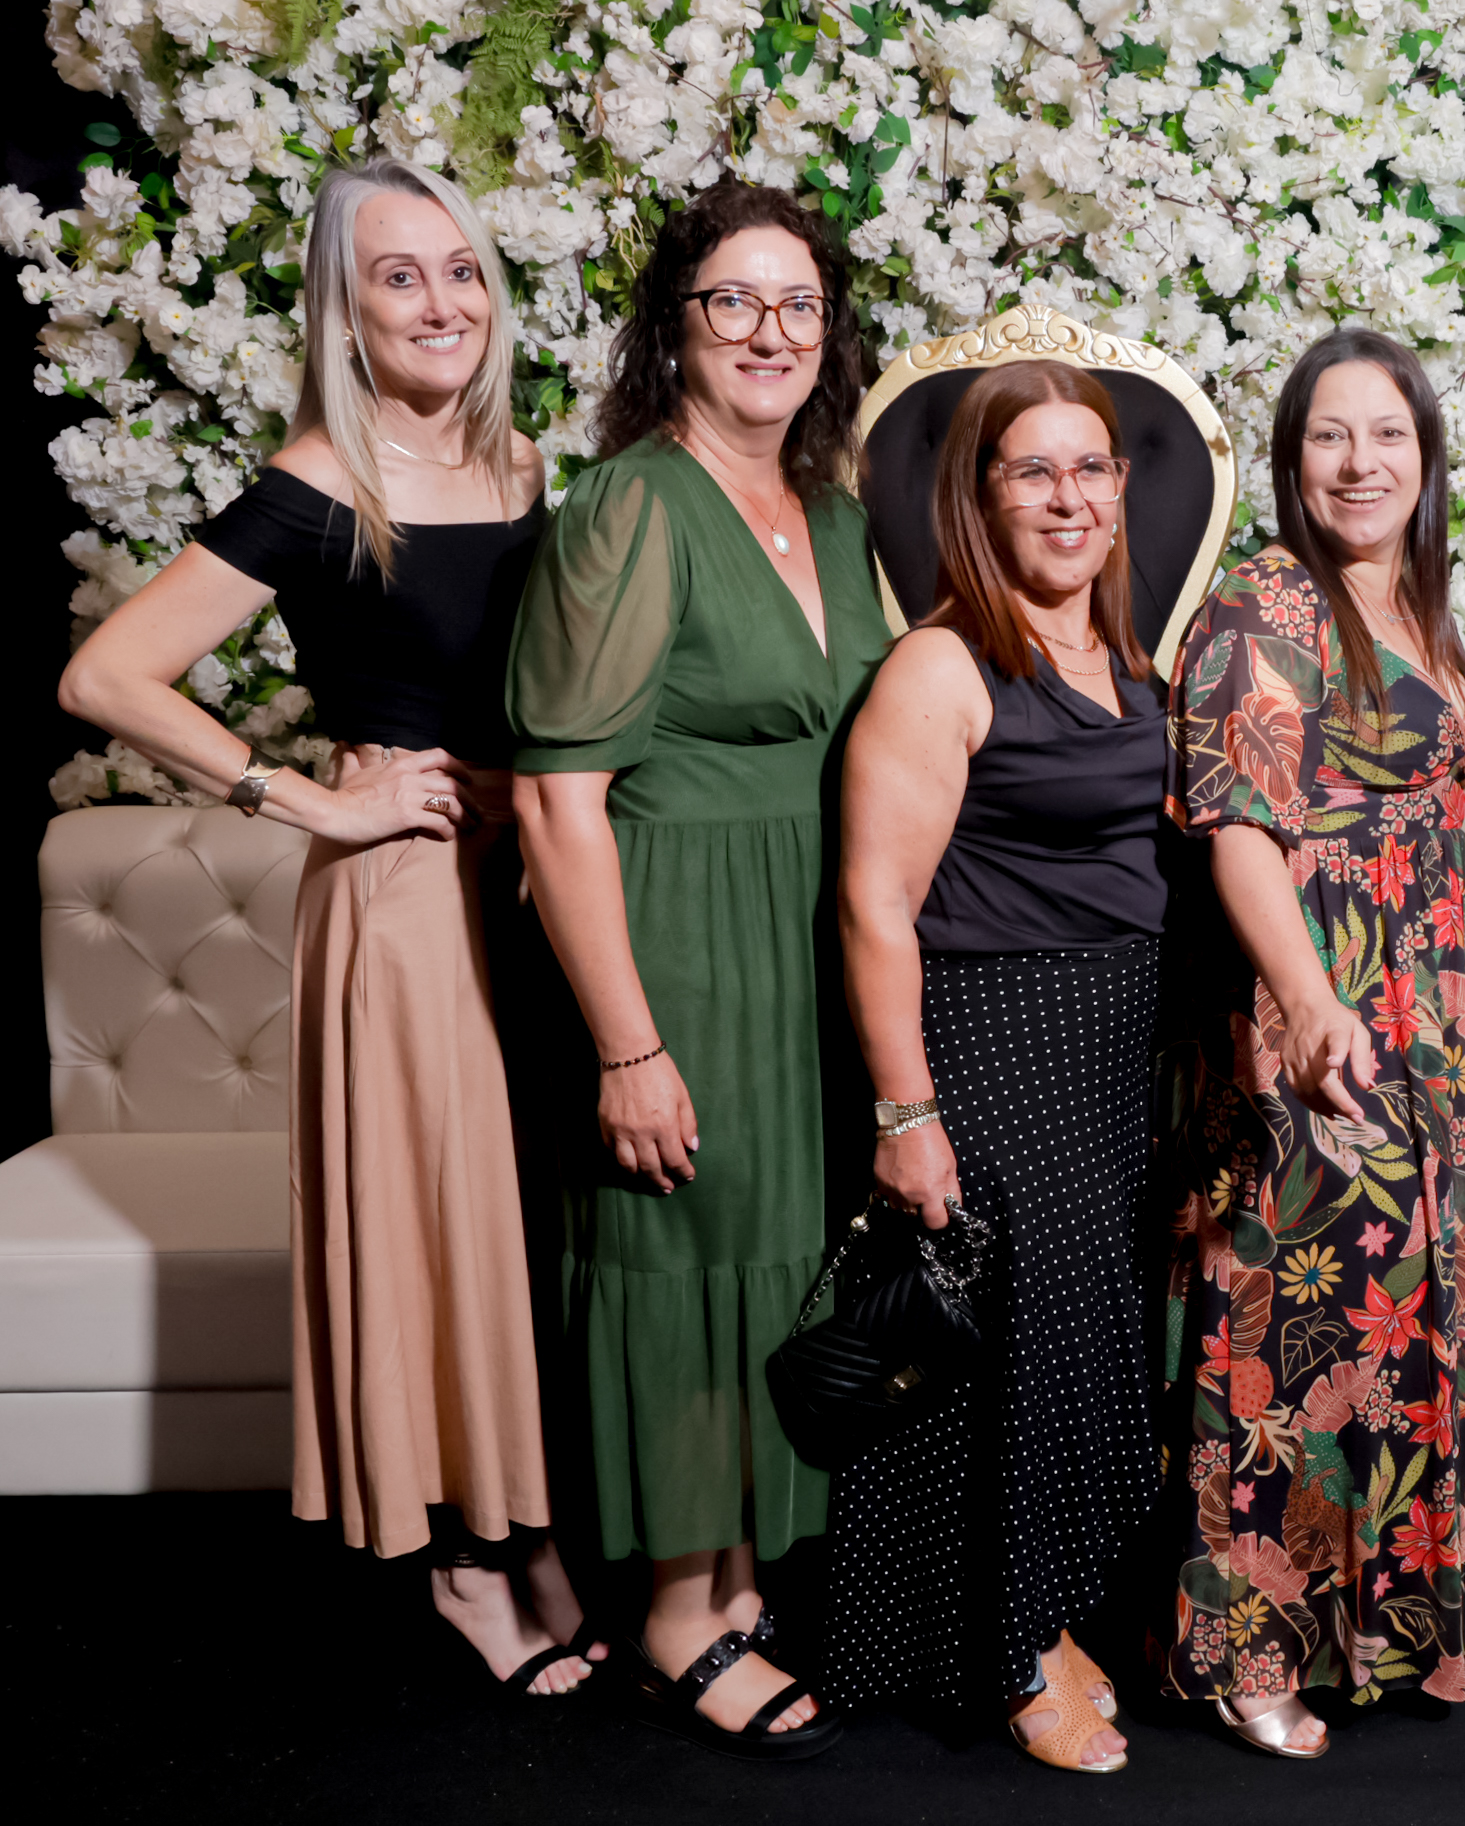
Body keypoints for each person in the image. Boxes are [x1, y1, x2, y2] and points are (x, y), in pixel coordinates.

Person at [56, 158, 595, 1695]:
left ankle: (533, 1520)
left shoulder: (522, 464)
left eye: (461, 269)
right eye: (399, 276)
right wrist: (308, 801)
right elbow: (104, 675)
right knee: (441, 1222)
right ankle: (467, 1559)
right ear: (344, 316)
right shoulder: (316, 479)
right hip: (406, 891)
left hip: (527, 880)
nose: (442, 301)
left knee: (526, 1216)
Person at [508, 180, 890, 1757]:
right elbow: (556, 800)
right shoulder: (632, 507)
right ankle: (676, 1608)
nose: (769, 331)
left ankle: (738, 1576)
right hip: (679, 934)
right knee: (682, 1256)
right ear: (675, 328)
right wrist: (626, 1042)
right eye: (733, 300)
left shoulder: (840, 516)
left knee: (774, 1258)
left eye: (798, 303)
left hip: (811, 938)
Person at [1159, 328, 1465, 1753]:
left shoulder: (1416, 599)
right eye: (1329, 436)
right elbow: (1239, 829)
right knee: (1291, 1337)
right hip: (1318, 1010)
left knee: (1399, 1320)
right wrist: (1307, 1001)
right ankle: (1251, 1654)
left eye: (1388, 435)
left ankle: (1377, 1627)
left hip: (1422, 1014)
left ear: (1426, 456)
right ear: (1290, 458)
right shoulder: (1266, 603)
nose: (1361, 464)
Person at [830, 359, 1167, 1776]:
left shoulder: (1126, 653)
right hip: (996, 1034)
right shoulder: (942, 664)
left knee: (1082, 1336)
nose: (1068, 497)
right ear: (980, 497)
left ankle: (1049, 1607)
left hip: (1112, 1043)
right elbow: (873, 905)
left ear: (1122, 488)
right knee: (1016, 1354)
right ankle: (1009, 1651)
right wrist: (907, 1111)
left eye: (1090, 468)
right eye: (1034, 471)